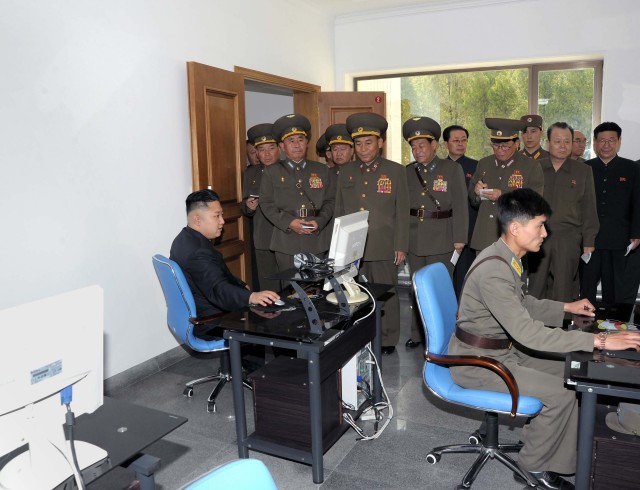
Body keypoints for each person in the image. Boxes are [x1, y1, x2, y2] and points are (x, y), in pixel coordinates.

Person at [449, 188, 640, 490]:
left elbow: (522, 305)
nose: (545, 232)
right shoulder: (496, 270)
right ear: (515, 228)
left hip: (502, 350)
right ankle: (533, 466)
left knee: (571, 374)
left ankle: (549, 452)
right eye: (539, 225)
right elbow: (528, 332)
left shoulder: (506, 256)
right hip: (478, 361)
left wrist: (566, 308)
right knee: (561, 391)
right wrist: (599, 342)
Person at [335, 112, 409, 355]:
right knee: (354, 292)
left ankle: (387, 339)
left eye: (368, 142)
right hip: (352, 246)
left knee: (386, 292)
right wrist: (336, 246)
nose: (363, 148)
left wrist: (401, 245)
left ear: (380, 143)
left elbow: (402, 212)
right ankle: (359, 334)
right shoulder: (345, 172)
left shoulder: (396, 172)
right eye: (358, 143)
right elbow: (339, 211)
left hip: (383, 243)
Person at [170, 189, 279, 329]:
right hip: (212, 320)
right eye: (216, 216)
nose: (222, 221)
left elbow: (216, 274)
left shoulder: (184, 239)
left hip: (206, 307)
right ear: (197, 219)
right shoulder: (198, 252)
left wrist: (239, 284)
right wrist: (251, 297)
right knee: (270, 324)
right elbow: (218, 289)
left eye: (221, 215)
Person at [403, 117, 468, 349]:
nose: (417, 151)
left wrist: (460, 238)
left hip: (443, 238)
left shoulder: (451, 169)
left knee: (440, 290)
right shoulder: (408, 172)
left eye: (422, 145)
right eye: (413, 146)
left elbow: (461, 205)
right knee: (416, 289)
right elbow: (402, 209)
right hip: (415, 237)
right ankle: (417, 334)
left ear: (435, 146)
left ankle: (444, 334)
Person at [527, 122, 599, 302]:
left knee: (564, 289)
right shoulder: (535, 167)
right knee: (536, 286)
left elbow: (589, 208)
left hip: (568, 238)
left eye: (567, 141)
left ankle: (563, 328)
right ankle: (534, 328)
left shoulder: (583, 170)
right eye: (557, 141)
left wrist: (588, 240)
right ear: (548, 142)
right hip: (537, 237)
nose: (562, 146)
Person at [259, 114, 336, 273]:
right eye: (291, 140)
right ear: (281, 146)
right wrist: (289, 222)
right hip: (286, 242)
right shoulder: (271, 172)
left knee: (316, 290)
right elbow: (266, 204)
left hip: (316, 239)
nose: (297, 145)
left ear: (307, 142)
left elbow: (330, 201)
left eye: (300, 139)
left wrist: (320, 221)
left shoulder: (322, 170)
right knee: (290, 290)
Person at [581, 122, 640, 304]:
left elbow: (637, 203)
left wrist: (636, 233)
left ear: (619, 142)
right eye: (602, 141)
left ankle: (615, 329)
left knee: (616, 291)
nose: (606, 145)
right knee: (587, 288)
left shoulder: (632, 168)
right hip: (590, 241)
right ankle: (586, 330)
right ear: (595, 142)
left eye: (611, 140)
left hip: (620, 240)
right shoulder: (585, 168)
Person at [468, 118, 544, 252]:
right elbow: (473, 200)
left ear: (517, 143)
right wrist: (477, 193)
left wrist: (503, 195)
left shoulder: (530, 166)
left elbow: (535, 202)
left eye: (505, 146)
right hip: (484, 238)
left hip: (514, 240)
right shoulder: (484, 164)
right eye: (496, 145)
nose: (499, 150)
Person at [241, 123, 281, 292]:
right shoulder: (251, 173)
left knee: (292, 286)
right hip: (263, 237)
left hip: (288, 237)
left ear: (279, 148)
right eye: (261, 149)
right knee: (268, 285)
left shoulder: (290, 170)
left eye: (271, 148)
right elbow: (244, 206)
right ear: (256, 152)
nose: (266, 154)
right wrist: (248, 206)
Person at [443, 124, 478, 299]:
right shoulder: (440, 168)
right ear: (445, 144)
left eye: (464, 140)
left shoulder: (476, 166)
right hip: (443, 232)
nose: (460, 144)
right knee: (446, 276)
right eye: (456, 140)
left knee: (466, 276)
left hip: (469, 232)